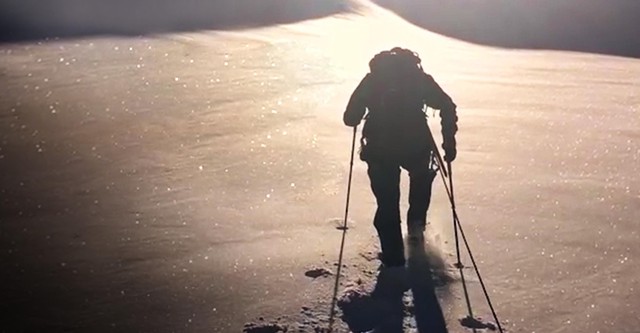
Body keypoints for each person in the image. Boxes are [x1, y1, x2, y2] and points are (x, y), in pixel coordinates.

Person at [343, 47, 458, 270]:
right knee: (419, 193)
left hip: (379, 147)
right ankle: (416, 241)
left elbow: (350, 118)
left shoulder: (372, 80)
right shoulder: (419, 79)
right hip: (415, 144)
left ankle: (393, 259)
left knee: (387, 202)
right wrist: (448, 143)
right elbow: (446, 105)